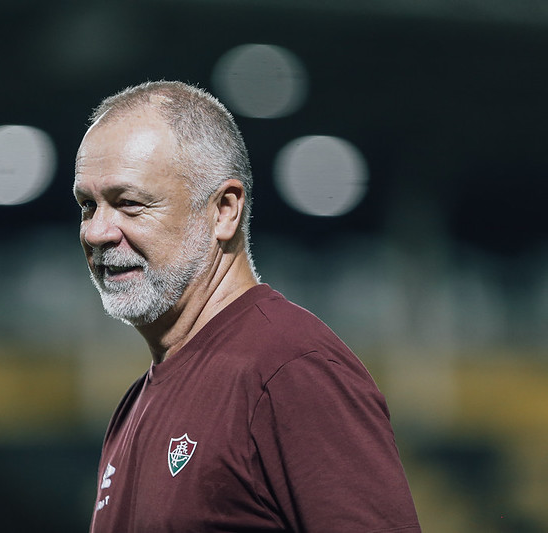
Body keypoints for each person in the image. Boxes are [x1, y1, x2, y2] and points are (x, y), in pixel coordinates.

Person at [73, 80, 421, 532]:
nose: (97, 232)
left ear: (224, 211)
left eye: (130, 204)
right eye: (87, 205)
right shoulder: (136, 403)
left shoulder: (291, 370)